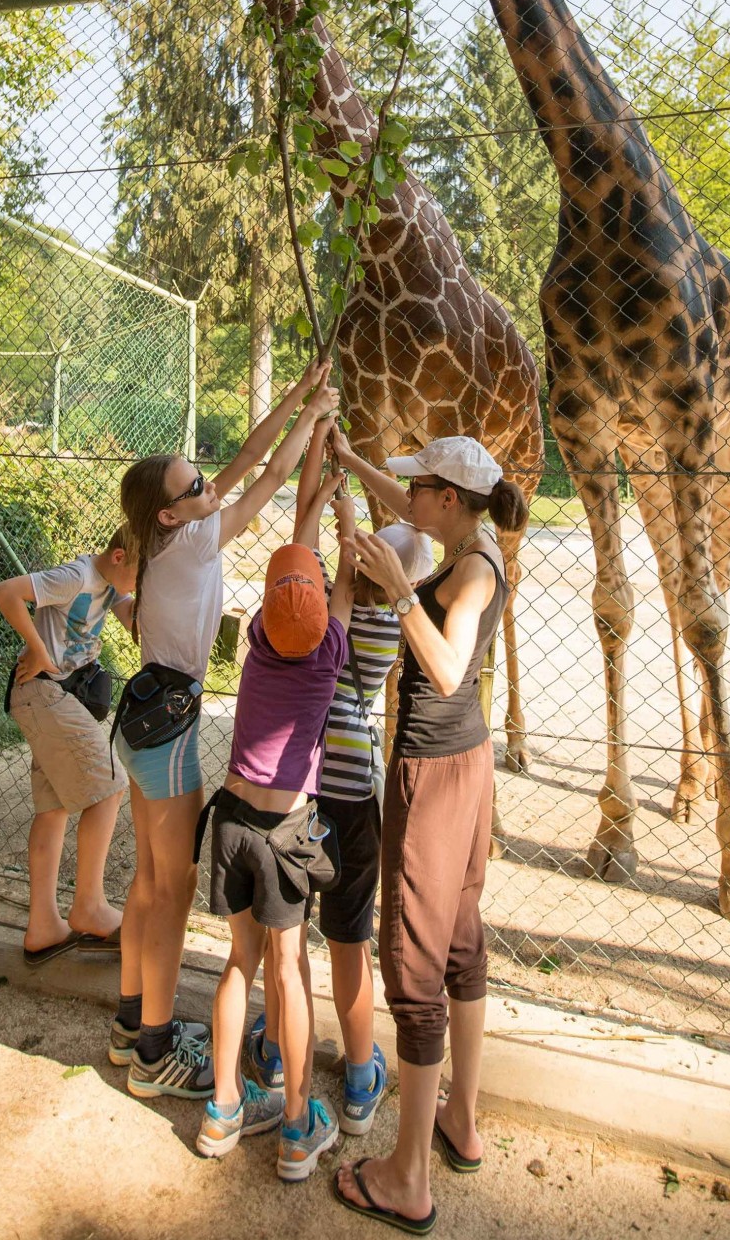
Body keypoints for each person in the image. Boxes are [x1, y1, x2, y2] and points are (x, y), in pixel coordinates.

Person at [113, 362, 339, 1101]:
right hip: (170, 732)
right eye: (195, 486)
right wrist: (313, 412)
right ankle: (153, 1051)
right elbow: (264, 469)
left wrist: (306, 390)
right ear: (174, 514)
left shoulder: (167, 540)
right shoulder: (194, 541)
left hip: (141, 725)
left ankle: (126, 1026)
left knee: (147, 881)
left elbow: (246, 465)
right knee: (171, 893)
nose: (212, 485)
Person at [330, 435, 528, 1236]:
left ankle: (406, 1177)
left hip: (432, 773)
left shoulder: (472, 572)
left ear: (448, 497)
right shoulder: (471, 540)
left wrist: (395, 591)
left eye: (418, 489)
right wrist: (352, 459)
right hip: (469, 766)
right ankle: (461, 1121)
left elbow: (446, 670)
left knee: (414, 965)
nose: (404, 498)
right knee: (460, 946)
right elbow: (403, 493)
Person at [251, 420, 433, 1139]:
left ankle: (273, 1050)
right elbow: (382, 559)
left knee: (284, 935)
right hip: (356, 795)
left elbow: (312, 562)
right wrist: (356, 499)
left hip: (297, 790)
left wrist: (327, 497)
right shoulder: (390, 612)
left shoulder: (301, 623)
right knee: (349, 941)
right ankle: (361, 1076)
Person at [196, 482, 354, 1179]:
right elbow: (340, 581)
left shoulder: (258, 642)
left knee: (239, 963)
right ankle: (296, 1126)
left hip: (229, 821)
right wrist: (347, 527)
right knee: (288, 971)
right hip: (285, 829)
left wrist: (313, 513)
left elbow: (298, 574)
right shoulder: (329, 656)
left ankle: (223, 1109)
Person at [0, 529, 137, 961]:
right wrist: (37, 649)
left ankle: (42, 926)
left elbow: (131, 614)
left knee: (52, 809)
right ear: (119, 555)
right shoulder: (77, 575)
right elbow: (4, 594)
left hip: (52, 697)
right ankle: (88, 906)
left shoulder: (111, 583)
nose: (140, 583)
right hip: (43, 691)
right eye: (140, 573)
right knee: (110, 784)